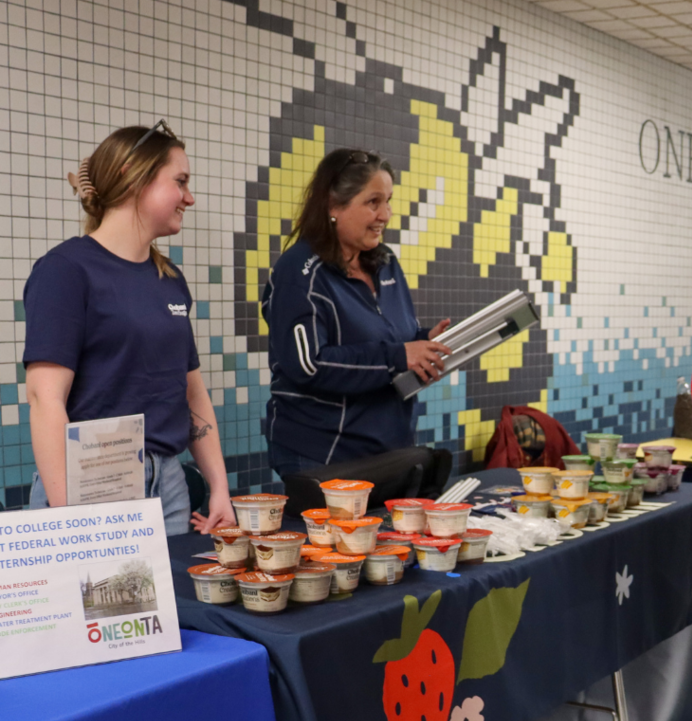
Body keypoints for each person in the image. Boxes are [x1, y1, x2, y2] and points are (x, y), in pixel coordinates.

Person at [23, 121, 234, 536]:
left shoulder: (169, 278)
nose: (189, 198)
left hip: (169, 486)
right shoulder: (66, 271)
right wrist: (70, 516)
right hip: (90, 481)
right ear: (133, 178)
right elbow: (44, 399)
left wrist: (219, 489)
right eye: (180, 181)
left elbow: (191, 392)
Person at [262, 148, 451, 477]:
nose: (386, 214)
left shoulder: (386, 262)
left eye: (388, 200)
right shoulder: (299, 272)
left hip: (389, 450)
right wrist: (398, 356)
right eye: (373, 202)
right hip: (323, 456)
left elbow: (392, 340)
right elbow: (308, 364)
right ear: (334, 206)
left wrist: (424, 344)